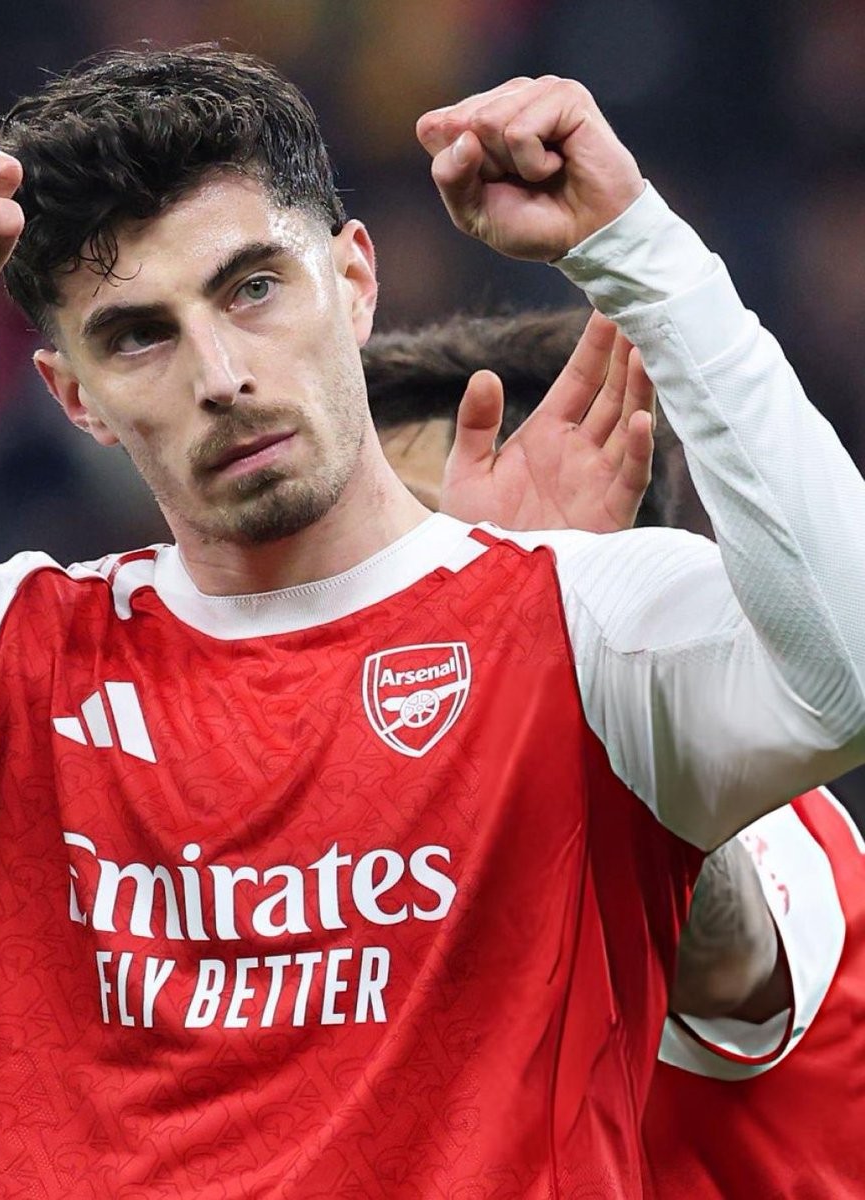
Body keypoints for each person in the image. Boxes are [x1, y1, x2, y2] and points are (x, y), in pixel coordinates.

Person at [0, 47, 865, 1196]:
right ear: (75, 397)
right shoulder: (11, 663)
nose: (220, 374)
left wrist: (639, 245)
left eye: (253, 288)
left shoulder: (582, 622)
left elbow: (848, 671)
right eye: (139, 335)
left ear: (355, 280)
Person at [364, 308, 865, 1194]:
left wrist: (549, 671)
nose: (389, 587)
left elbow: (728, 954)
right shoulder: (350, 868)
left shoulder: (772, 824)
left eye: (427, 537)